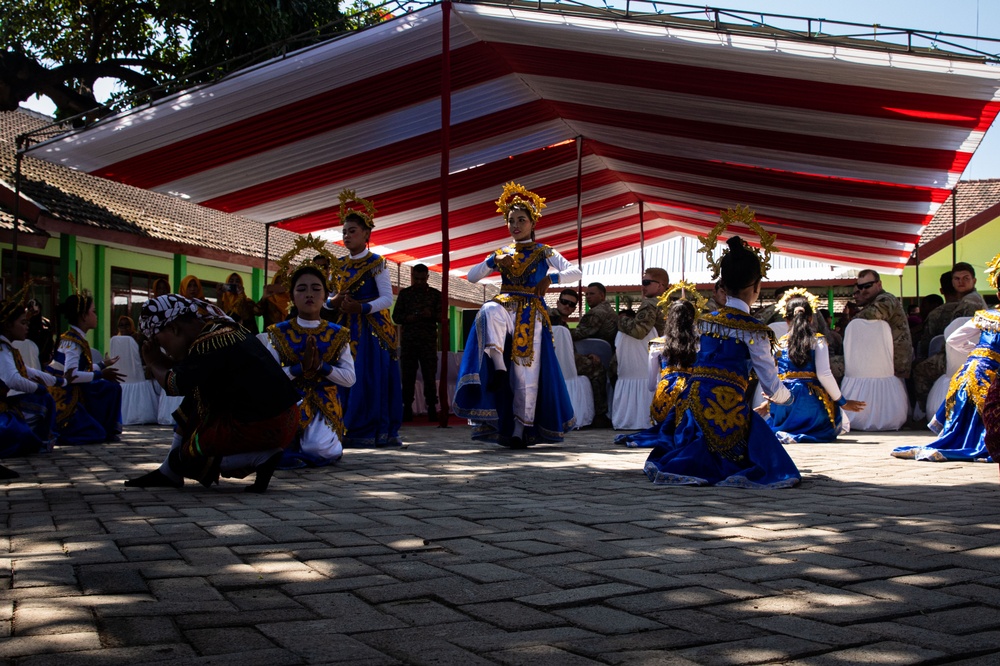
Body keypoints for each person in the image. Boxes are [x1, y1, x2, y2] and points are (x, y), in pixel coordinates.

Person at [641, 207, 800, 488]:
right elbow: (770, 384)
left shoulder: (702, 322)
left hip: (690, 405)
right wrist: (789, 399)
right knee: (756, 440)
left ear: (722, 285)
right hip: (726, 407)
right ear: (758, 286)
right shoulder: (755, 331)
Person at [126, 295, 301, 491]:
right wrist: (160, 362)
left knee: (182, 461)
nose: (163, 349)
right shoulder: (219, 329)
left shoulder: (206, 344)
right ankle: (168, 473)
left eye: (160, 341)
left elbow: (174, 384)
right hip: (285, 418)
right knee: (194, 398)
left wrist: (153, 362)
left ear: (174, 329)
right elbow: (187, 373)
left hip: (263, 426)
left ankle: (261, 457)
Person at [454, 182, 581, 447]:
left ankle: (519, 430)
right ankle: (498, 367)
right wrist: (492, 262)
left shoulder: (544, 251)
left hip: (531, 312)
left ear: (533, 223)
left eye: (521, 220)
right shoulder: (501, 253)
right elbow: (472, 277)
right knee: (488, 309)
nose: (515, 225)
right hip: (506, 305)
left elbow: (576, 272)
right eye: (511, 220)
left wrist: (552, 278)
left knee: (526, 374)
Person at [892, 256, 1000, 462]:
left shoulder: (985, 315)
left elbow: (953, 338)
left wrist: (978, 351)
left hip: (968, 371)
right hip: (990, 375)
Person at [326, 189, 403, 447]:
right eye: (344, 232)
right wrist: (333, 303)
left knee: (367, 378)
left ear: (367, 234)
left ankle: (370, 430)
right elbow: (327, 297)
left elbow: (386, 299)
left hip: (371, 331)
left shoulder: (377, 263)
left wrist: (360, 309)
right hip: (343, 328)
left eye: (352, 231)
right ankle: (341, 425)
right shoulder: (337, 265)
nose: (347, 236)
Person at [263, 264, 356, 468]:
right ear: (292, 296)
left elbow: (349, 379)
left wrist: (322, 366)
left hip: (323, 403)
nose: (309, 294)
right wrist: (298, 370)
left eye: (316, 289)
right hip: (288, 402)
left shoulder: (338, 334)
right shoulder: (278, 333)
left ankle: (329, 443)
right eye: (301, 289)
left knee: (317, 449)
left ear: (325, 296)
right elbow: (267, 378)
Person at [763, 290, 865, 443]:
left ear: (786, 319)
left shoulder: (780, 344)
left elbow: (775, 376)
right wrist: (842, 402)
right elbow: (824, 374)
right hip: (812, 403)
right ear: (811, 318)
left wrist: (768, 402)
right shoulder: (818, 340)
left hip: (785, 402)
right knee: (826, 414)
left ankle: (786, 430)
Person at [617, 296, 699, 448]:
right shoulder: (701, 343)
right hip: (693, 395)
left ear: (669, 318)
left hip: (665, 398)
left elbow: (651, 385)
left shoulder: (657, 344)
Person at [47, 292, 124, 444]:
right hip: (66, 395)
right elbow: (72, 375)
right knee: (94, 434)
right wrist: (100, 374)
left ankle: (107, 429)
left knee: (111, 387)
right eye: (93, 311)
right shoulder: (73, 342)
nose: (96, 316)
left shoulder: (74, 337)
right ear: (83, 316)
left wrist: (103, 365)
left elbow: (81, 368)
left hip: (72, 388)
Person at [0, 284, 63, 462]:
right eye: (22, 322)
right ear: (7, 325)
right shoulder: (2, 348)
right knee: (41, 400)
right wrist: (39, 388)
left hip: (5, 405)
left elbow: (28, 370)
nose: (27, 326)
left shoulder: (9, 348)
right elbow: (12, 379)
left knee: (44, 399)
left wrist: (58, 381)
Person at [913, 264, 988, 410]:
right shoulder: (970, 299)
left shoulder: (970, 302)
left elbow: (960, 333)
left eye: (966, 278)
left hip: (964, 353)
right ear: (952, 282)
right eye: (957, 278)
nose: (961, 282)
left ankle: (925, 411)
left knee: (921, 369)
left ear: (974, 280)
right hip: (968, 351)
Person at [393, 264, 442, 422]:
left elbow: (442, 318)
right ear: (412, 277)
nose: (419, 282)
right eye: (416, 279)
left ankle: (432, 408)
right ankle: (407, 407)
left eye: (422, 279)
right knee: (408, 377)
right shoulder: (405, 294)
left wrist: (431, 314)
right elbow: (396, 317)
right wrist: (408, 318)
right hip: (409, 342)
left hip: (428, 343)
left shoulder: (435, 295)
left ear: (427, 277)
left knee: (429, 376)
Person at [847, 270, 913, 379]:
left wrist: (852, 318)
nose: (863, 290)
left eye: (867, 286)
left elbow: (872, 314)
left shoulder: (887, 298)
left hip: (894, 364)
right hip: (882, 362)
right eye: (860, 287)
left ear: (879, 284)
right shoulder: (873, 302)